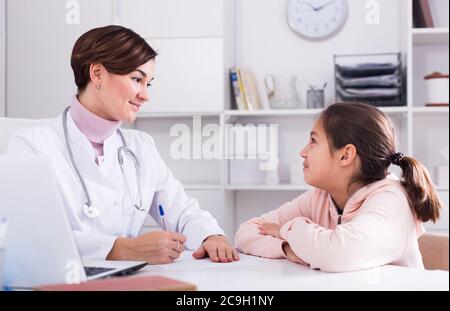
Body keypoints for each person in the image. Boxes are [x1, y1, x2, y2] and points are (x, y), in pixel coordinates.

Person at [6, 25, 239, 264]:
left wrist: (212, 236)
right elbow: (26, 234)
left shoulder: (141, 147)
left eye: (148, 84)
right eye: (137, 79)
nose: (145, 95)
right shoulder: (33, 145)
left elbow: (182, 211)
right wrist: (123, 249)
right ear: (96, 74)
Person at [235, 102, 442, 272]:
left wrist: (286, 229)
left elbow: (337, 254)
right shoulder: (320, 197)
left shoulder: (391, 201)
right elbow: (246, 232)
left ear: (345, 155)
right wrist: (287, 247)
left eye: (313, 141)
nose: (303, 151)